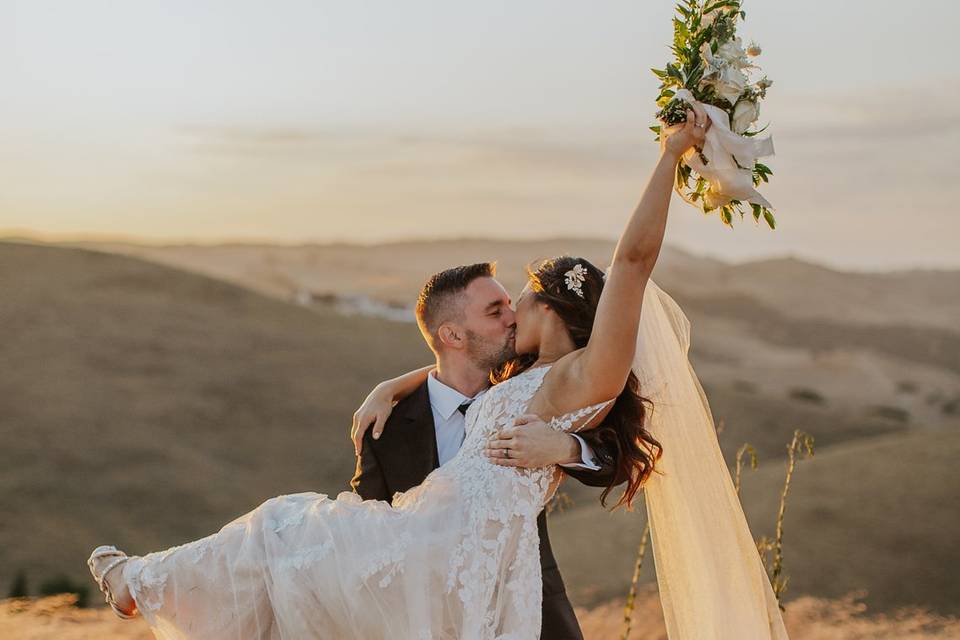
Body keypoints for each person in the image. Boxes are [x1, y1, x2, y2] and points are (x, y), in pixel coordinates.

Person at [89, 100, 786, 639]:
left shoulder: (581, 378)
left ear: (547, 307)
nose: (509, 310)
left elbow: (632, 263)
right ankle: (140, 585)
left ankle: (135, 583)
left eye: (515, 298)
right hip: (426, 537)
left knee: (282, 529)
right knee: (284, 544)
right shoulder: (516, 381)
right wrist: (393, 383)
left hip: (454, 555)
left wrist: (671, 154)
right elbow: (457, 372)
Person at [349, 261, 625, 640]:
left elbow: (617, 464)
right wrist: (389, 388)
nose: (513, 318)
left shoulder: (529, 389)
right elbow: (369, 537)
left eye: (511, 304)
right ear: (453, 336)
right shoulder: (385, 430)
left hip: (533, 610)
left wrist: (565, 447)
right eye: (496, 312)